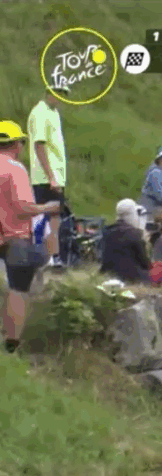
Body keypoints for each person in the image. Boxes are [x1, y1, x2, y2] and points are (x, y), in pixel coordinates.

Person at [0, 120, 62, 353]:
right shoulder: (15, 169)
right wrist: (48, 208)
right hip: (14, 238)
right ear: (17, 144)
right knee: (18, 290)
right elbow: (23, 207)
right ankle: (11, 344)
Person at [27, 85, 70, 269]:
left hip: (57, 175)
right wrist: (51, 176)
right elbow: (39, 145)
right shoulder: (40, 112)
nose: (61, 97)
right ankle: (48, 256)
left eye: (64, 94)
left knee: (55, 216)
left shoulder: (54, 113)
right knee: (47, 216)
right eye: (58, 93)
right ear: (49, 92)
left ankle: (53, 256)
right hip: (45, 176)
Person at [100, 199, 151, 285]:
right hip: (131, 277)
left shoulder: (107, 232)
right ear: (132, 214)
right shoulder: (135, 234)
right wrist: (145, 242)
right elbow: (145, 263)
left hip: (109, 274)